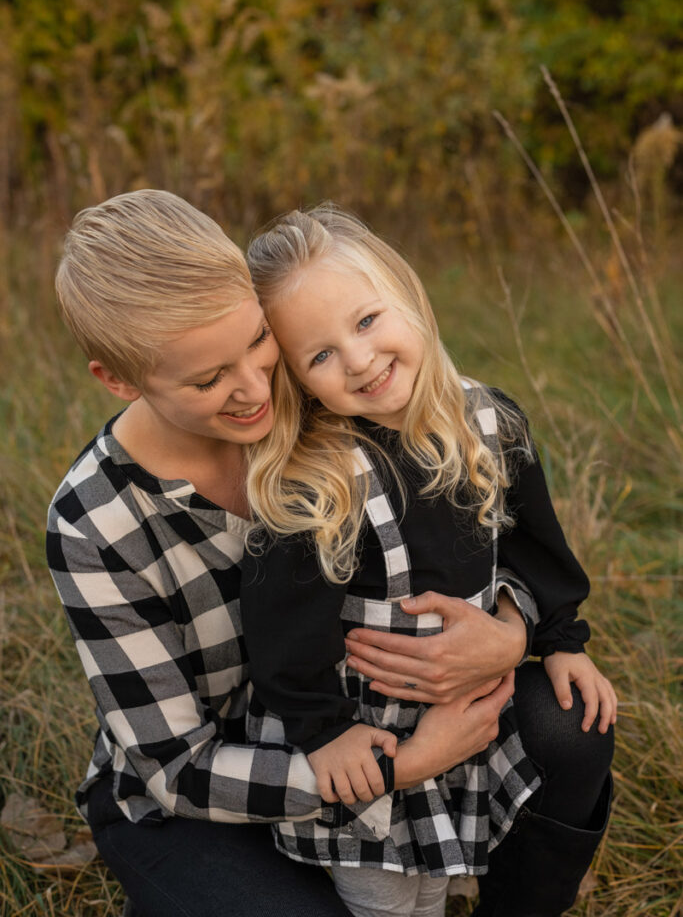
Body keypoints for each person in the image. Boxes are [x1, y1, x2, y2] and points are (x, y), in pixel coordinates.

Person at [47, 189, 539, 917]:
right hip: (208, 799)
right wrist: (401, 767)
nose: (253, 390)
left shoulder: (326, 388)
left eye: (255, 342)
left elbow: (474, 518)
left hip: (372, 719)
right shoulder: (95, 524)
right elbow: (175, 768)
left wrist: (514, 628)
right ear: (117, 380)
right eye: (208, 379)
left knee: (568, 728)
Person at [241, 204, 617, 917]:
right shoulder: (321, 482)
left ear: (407, 296)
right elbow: (280, 631)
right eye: (319, 355)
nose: (357, 359)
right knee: (386, 897)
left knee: (436, 886)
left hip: (459, 715)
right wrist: (325, 731)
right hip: (366, 731)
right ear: (297, 380)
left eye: (366, 320)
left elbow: (533, 546)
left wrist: (560, 638)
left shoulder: (489, 423)